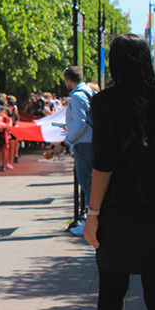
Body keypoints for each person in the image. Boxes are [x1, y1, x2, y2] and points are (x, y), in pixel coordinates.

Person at [83, 33, 155, 310]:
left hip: (118, 212)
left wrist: (92, 214)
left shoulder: (106, 102)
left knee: (112, 293)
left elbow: (104, 163)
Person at [65, 65, 94, 236]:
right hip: (91, 141)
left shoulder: (77, 96)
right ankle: (91, 219)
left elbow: (80, 124)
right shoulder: (89, 92)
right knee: (90, 184)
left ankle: (90, 223)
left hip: (84, 144)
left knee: (87, 184)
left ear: (69, 80)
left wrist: (67, 140)